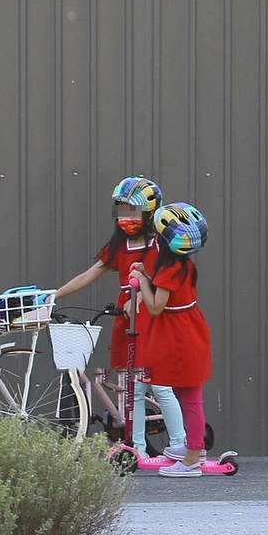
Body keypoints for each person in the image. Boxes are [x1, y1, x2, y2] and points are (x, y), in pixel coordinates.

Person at [56, 177, 185, 456]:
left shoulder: (161, 246)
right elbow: (90, 274)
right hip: (126, 323)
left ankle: (179, 445)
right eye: (122, 209)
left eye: (133, 211)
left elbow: (164, 287)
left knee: (160, 387)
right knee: (131, 391)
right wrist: (55, 294)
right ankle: (135, 446)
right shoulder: (118, 246)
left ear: (150, 213)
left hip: (152, 321)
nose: (126, 218)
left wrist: (138, 301)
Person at [129, 202, 210, 477]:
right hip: (189, 330)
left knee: (189, 397)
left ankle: (191, 459)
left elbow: (154, 306)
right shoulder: (182, 264)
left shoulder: (169, 269)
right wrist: (147, 275)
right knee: (188, 393)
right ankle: (193, 448)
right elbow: (167, 291)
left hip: (179, 337)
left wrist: (141, 279)